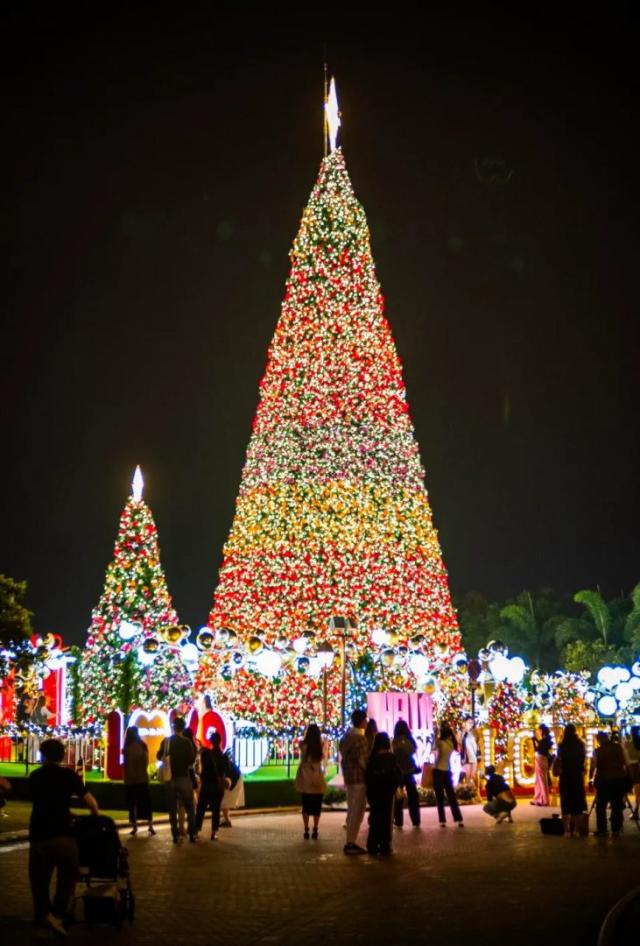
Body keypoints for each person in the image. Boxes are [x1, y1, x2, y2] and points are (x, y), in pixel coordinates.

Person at [29, 738, 99, 937]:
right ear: (61, 756)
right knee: (68, 875)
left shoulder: (35, 777)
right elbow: (90, 802)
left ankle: (43, 915)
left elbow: (45, 803)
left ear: (43, 755)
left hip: (40, 833)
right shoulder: (69, 776)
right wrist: (94, 816)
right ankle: (57, 912)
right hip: (63, 833)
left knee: (39, 880)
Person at [156, 716, 197, 844]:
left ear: (173, 728)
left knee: (172, 809)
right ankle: (192, 833)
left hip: (170, 778)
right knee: (190, 807)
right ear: (183, 728)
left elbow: (159, 756)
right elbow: (191, 760)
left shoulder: (166, 741)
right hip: (183, 777)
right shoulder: (186, 742)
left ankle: (175, 835)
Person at [365, 732, 403, 856]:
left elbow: (367, 776)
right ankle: (384, 846)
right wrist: (394, 787)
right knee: (386, 819)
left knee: (375, 817)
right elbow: (398, 774)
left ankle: (372, 845)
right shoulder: (390, 757)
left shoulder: (372, 758)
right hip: (387, 793)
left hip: (374, 793)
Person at [339, 708, 369, 854]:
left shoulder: (345, 738)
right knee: (358, 811)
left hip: (349, 777)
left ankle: (349, 841)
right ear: (362, 721)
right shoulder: (361, 740)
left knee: (351, 810)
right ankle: (351, 842)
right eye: (365, 720)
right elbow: (362, 761)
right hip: (359, 778)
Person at [590, 731, 628, 836]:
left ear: (599, 740)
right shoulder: (617, 748)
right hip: (617, 779)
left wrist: (591, 779)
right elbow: (623, 761)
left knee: (601, 806)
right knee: (616, 805)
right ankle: (616, 828)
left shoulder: (598, 751)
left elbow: (594, 765)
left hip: (603, 780)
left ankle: (602, 829)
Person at [195, 730, 232, 840]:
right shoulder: (224, 757)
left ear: (211, 742)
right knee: (216, 810)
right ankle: (213, 832)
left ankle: (196, 830)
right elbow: (226, 771)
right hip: (217, 785)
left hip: (206, 784)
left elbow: (202, 769)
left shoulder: (206, 754)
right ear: (220, 741)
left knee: (201, 808)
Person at [294, 723, 327, 839]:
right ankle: (316, 828)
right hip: (317, 778)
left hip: (305, 778)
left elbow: (300, 745)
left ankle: (306, 828)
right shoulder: (320, 745)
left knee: (306, 806)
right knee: (317, 806)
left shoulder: (303, 745)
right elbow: (323, 758)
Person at [555, 723, 587, 837]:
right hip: (577, 775)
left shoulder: (561, 745)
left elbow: (558, 759)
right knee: (577, 803)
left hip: (565, 776)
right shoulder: (580, 744)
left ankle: (566, 830)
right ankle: (577, 829)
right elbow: (583, 758)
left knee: (566, 803)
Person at [122, 726, 154, 836]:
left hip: (130, 780)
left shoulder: (126, 748)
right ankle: (150, 826)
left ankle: (134, 827)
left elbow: (126, 766)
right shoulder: (143, 746)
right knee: (146, 803)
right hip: (142, 779)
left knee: (132, 804)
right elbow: (146, 762)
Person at [432, 723, 464, 827]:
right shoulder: (451, 744)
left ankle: (442, 820)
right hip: (447, 771)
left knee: (439, 797)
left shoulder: (440, 742)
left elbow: (433, 748)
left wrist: (435, 734)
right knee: (451, 797)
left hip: (438, 771)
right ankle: (458, 819)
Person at [392, 719, 421, 828]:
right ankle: (416, 820)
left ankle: (399, 821)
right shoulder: (410, 740)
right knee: (413, 796)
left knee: (399, 797)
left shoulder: (394, 741)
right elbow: (413, 751)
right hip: (409, 771)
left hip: (398, 772)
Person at [531, 724, 552, 806]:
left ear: (542, 730)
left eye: (540, 730)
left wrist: (534, 741)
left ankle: (544, 800)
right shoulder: (547, 739)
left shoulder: (544, 740)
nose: (539, 732)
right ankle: (538, 799)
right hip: (543, 759)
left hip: (541, 759)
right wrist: (535, 739)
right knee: (539, 779)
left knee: (541, 780)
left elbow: (538, 749)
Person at [623, 725, 640, 820]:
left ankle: (636, 811)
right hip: (637, 767)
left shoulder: (628, 744)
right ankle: (636, 811)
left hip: (634, 769)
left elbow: (626, 757)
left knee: (637, 792)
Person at [461, 716, 479, 793]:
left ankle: (475, 793)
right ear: (464, 723)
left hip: (473, 757)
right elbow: (460, 745)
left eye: (472, 723)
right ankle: (469, 794)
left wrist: (478, 755)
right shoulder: (462, 734)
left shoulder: (473, 733)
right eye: (469, 722)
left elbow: (476, 746)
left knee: (473, 776)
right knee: (467, 776)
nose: (471, 724)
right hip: (466, 758)